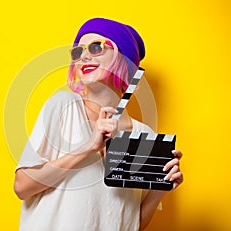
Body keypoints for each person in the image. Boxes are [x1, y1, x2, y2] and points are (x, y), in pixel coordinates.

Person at [14, 18, 183, 231]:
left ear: (124, 59)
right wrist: (88, 147)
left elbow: (130, 223)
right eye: (77, 52)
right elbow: (22, 187)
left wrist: (161, 187)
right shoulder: (63, 107)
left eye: (96, 47)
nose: (83, 56)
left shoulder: (143, 135)